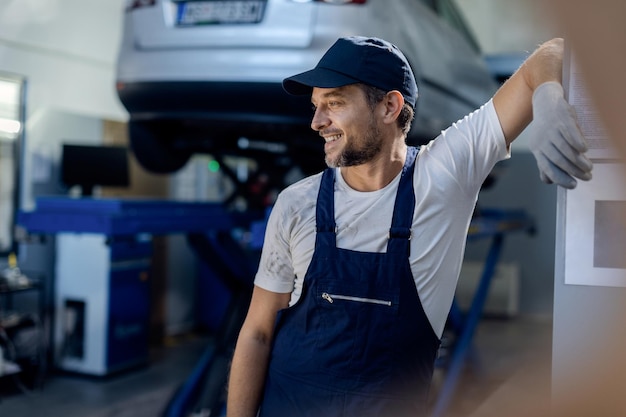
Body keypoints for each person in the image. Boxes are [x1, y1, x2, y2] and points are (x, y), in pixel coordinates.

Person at [226, 36, 593, 417]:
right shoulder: (295, 204)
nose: (317, 122)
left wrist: (548, 97)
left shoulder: (443, 176)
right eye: (316, 106)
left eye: (333, 103)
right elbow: (257, 334)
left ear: (390, 106)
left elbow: (554, 52)